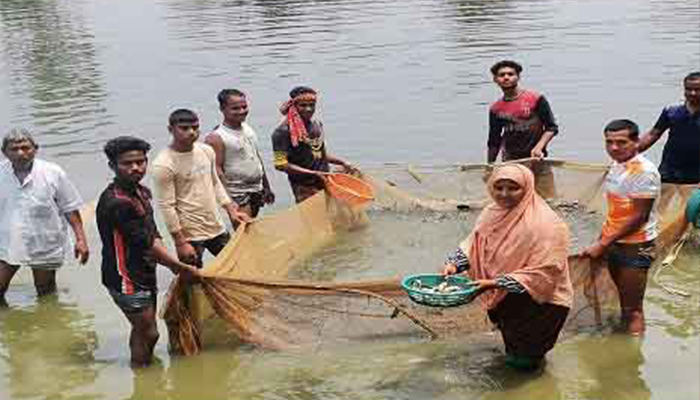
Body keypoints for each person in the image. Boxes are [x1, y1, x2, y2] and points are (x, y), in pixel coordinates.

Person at [442, 164, 572, 371]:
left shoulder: (548, 224)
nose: (504, 194)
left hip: (539, 303)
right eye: (498, 187)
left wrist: (494, 283)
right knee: (515, 351)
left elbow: (545, 272)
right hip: (505, 297)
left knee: (524, 361)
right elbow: (475, 243)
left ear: (528, 188)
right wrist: (454, 264)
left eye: (513, 188)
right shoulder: (491, 212)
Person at [96, 136, 199, 367]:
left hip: (143, 271)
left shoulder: (140, 192)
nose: (136, 168)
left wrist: (174, 260)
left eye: (141, 162)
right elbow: (147, 243)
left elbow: (152, 233)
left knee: (142, 329)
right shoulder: (118, 202)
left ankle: (142, 372)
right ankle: (142, 372)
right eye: (127, 163)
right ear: (113, 166)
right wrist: (179, 267)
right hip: (125, 278)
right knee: (149, 333)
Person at [582, 119, 660, 335]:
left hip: (636, 247)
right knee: (623, 305)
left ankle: (631, 362)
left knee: (633, 309)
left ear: (636, 141)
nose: (614, 148)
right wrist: (602, 240)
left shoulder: (644, 171)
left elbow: (639, 216)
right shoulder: (617, 165)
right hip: (616, 242)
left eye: (621, 142)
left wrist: (604, 243)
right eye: (609, 142)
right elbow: (616, 212)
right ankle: (623, 337)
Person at [0, 128, 89, 306]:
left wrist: (81, 239)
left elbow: (70, 207)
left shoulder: (53, 172)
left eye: (25, 148)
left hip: (45, 240)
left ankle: (49, 327)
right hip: (7, 241)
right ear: (4, 152)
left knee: (46, 291)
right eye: (14, 149)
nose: (20, 153)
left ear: (35, 148)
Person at [152, 109, 250, 268]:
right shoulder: (164, 163)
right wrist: (180, 242)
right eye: (184, 128)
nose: (191, 132)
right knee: (192, 278)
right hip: (189, 235)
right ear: (171, 130)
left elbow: (215, 183)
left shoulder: (205, 150)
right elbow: (167, 206)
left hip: (216, 227)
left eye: (195, 127)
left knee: (236, 267)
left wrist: (231, 210)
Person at [487, 60, 559, 197]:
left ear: (518, 77)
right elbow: (494, 141)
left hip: (537, 159)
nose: (506, 77)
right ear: (495, 80)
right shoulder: (495, 109)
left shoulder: (536, 99)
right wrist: (489, 167)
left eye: (510, 74)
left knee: (547, 199)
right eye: (502, 75)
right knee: (513, 199)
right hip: (511, 162)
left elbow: (551, 128)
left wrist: (539, 147)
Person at [272, 86, 355, 203]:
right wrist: (313, 173)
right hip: (304, 187)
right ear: (293, 107)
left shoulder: (316, 125)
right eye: (303, 105)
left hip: (325, 180)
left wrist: (342, 162)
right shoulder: (282, 132)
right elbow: (280, 164)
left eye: (312, 105)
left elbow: (319, 154)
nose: (308, 109)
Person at [205, 89, 274, 222]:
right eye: (235, 108)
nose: (242, 111)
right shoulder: (217, 137)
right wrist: (229, 202)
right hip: (237, 193)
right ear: (222, 109)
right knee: (245, 231)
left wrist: (267, 187)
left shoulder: (248, 129)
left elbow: (256, 158)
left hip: (256, 189)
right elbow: (216, 171)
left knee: (253, 229)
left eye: (244, 107)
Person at [637, 72, 700, 213]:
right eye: (688, 89)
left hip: (697, 176)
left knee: (692, 215)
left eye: (697, 89)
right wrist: (630, 153)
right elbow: (654, 134)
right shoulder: (672, 111)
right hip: (669, 171)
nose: (693, 93)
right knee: (657, 212)